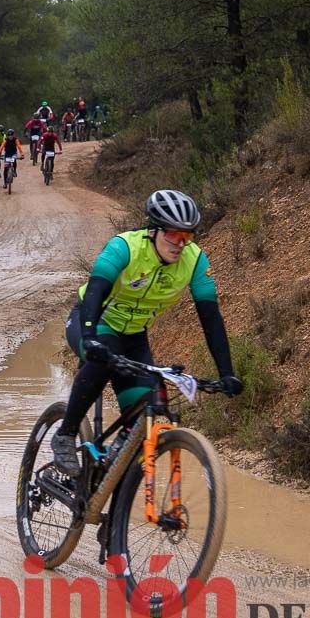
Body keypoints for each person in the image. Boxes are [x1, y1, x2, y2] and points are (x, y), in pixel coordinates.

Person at [49, 190, 244, 477]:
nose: (181, 243)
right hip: (93, 319)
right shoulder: (125, 247)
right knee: (103, 358)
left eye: (187, 236)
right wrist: (89, 337)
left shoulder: (195, 261)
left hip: (134, 335)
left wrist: (227, 373)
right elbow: (94, 291)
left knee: (146, 412)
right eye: (174, 235)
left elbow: (211, 318)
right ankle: (64, 435)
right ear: (154, 230)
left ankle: (112, 486)